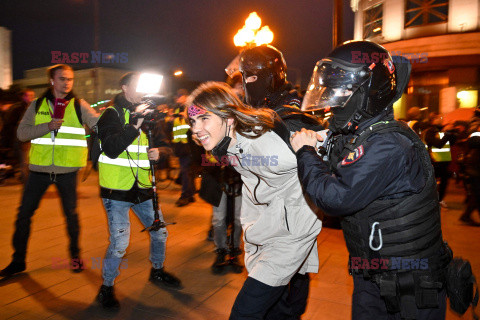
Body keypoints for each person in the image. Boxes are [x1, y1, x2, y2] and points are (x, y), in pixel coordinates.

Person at [291, 41, 452, 320]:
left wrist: (305, 153)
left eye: (342, 94)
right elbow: (344, 162)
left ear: (369, 92)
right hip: (377, 275)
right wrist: (323, 143)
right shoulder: (368, 134)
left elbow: (335, 197)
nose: (333, 105)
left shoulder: (388, 144)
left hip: (409, 284)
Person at [187, 82, 322, 320]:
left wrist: (312, 145)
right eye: (193, 121)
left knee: (244, 313)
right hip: (266, 233)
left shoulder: (258, 143)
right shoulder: (231, 143)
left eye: (204, 119)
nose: (195, 129)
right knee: (276, 312)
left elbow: (314, 151)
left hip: (287, 237)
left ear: (228, 118)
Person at [0, 64, 98, 277]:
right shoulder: (36, 105)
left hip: (67, 172)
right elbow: (22, 134)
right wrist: (47, 126)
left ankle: (75, 256)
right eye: (62, 78)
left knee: (71, 215)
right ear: (52, 81)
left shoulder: (79, 106)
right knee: (23, 214)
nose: (67, 83)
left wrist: (119, 121)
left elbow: (99, 123)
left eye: (70, 79)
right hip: (38, 172)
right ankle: (18, 261)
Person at [95, 72, 181, 309]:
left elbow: (165, 146)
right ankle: (107, 287)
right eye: (136, 86)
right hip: (117, 191)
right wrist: (134, 126)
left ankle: (157, 270)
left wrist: (160, 153)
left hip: (144, 189)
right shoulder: (110, 115)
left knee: (160, 232)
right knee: (120, 242)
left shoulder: (150, 116)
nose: (141, 91)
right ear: (124, 88)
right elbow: (111, 148)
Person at [422, 113, 457, 208]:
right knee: (430, 183)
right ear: (432, 120)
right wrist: (447, 133)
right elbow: (438, 144)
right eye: (438, 118)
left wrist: (452, 131)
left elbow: (453, 142)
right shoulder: (430, 131)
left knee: (444, 182)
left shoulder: (442, 130)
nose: (441, 119)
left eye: (441, 117)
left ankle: (439, 200)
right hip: (433, 161)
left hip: (443, 161)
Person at [171, 89, 195, 207]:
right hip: (180, 145)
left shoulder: (190, 108)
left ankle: (185, 195)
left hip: (189, 145)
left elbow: (195, 124)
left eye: (180, 96)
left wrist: (186, 117)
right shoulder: (177, 109)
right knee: (187, 171)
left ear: (186, 97)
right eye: (177, 96)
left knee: (185, 171)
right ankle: (190, 194)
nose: (178, 98)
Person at [459, 106, 480, 225]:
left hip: (475, 165)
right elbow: (473, 141)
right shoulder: (476, 124)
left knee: (477, 194)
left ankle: (466, 215)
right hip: (475, 165)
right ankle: (466, 216)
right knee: (477, 193)